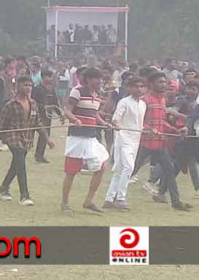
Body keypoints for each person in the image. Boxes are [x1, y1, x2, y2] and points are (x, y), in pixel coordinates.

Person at [131, 72, 191, 211]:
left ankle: (176, 202)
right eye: (160, 82)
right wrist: (149, 129)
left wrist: (176, 130)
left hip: (158, 143)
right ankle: (114, 196)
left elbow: (161, 123)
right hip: (145, 142)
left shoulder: (162, 100)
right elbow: (138, 122)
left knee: (169, 170)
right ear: (151, 84)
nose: (163, 84)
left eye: (164, 82)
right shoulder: (145, 100)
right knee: (132, 169)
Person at [0, 76, 53, 205]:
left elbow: (38, 123)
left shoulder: (33, 104)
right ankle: (24, 195)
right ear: (18, 86)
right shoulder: (10, 105)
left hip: (27, 138)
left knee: (16, 165)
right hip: (13, 137)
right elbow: (1, 125)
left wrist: (47, 139)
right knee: (20, 162)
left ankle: (4, 187)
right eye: (25, 85)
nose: (28, 88)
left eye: (30, 85)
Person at [61, 68, 110, 213]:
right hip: (76, 138)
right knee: (71, 172)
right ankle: (64, 202)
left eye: (100, 78)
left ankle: (89, 201)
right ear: (88, 79)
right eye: (96, 78)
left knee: (101, 167)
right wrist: (75, 119)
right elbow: (67, 110)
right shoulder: (77, 91)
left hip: (91, 137)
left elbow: (94, 114)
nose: (99, 81)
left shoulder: (98, 95)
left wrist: (104, 123)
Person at [103, 78, 147, 210]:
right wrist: (116, 125)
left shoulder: (143, 104)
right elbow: (116, 118)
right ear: (130, 88)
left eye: (142, 86)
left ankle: (109, 199)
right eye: (136, 86)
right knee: (128, 167)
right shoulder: (124, 102)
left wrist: (148, 130)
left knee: (119, 170)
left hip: (135, 140)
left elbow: (138, 123)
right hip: (123, 138)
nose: (139, 89)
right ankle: (121, 198)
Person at [31, 69, 63, 163]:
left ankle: (39, 155)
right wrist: (40, 107)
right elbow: (32, 102)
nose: (51, 79)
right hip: (37, 115)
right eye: (49, 77)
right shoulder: (37, 89)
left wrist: (60, 114)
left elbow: (55, 103)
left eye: (51, 77)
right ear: (43, 77)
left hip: (47, 116)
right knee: (32, 133)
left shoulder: (51, 90)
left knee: (45, 135)